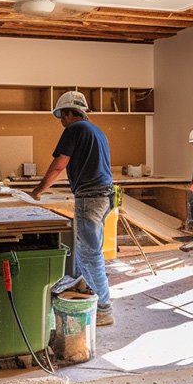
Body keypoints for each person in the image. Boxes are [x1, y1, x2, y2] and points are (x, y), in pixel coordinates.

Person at [29, 91, 115, 327]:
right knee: (86, 250)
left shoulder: (74, 130)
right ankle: (85, 289)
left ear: (70, 113)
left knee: (90, 254)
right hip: (104, 196)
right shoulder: (97, 131)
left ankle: (104, 309)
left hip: (90, 198)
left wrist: (37, 191)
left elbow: (59, 166)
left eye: (62, 116)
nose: (61, 121)